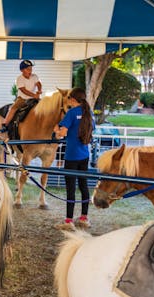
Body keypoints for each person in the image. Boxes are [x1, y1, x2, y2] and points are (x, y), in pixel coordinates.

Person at [53, 87, 95, 231]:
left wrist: (56, 131)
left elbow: (62, 134)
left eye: (70, 98)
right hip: (84, 155)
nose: (69, 100)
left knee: (70, 188)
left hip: (71, 156)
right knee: (83, 186)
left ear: (73, 99)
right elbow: (91, 130)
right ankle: (84, 217)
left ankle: (69, 220)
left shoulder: (71, 113)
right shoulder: (89, 112)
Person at [1, 60, 42, 131]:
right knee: (13, 108)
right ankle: (5, 124)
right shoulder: (19, 79)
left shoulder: (34, 76)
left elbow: (38, 84)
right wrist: (34, 95)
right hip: (22, 98)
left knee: (44, 107)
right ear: (22, 70)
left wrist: (39, 90)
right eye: (28, 69)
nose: (30, 71)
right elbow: (23, 90)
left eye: (31, 69)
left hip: (34, 98)